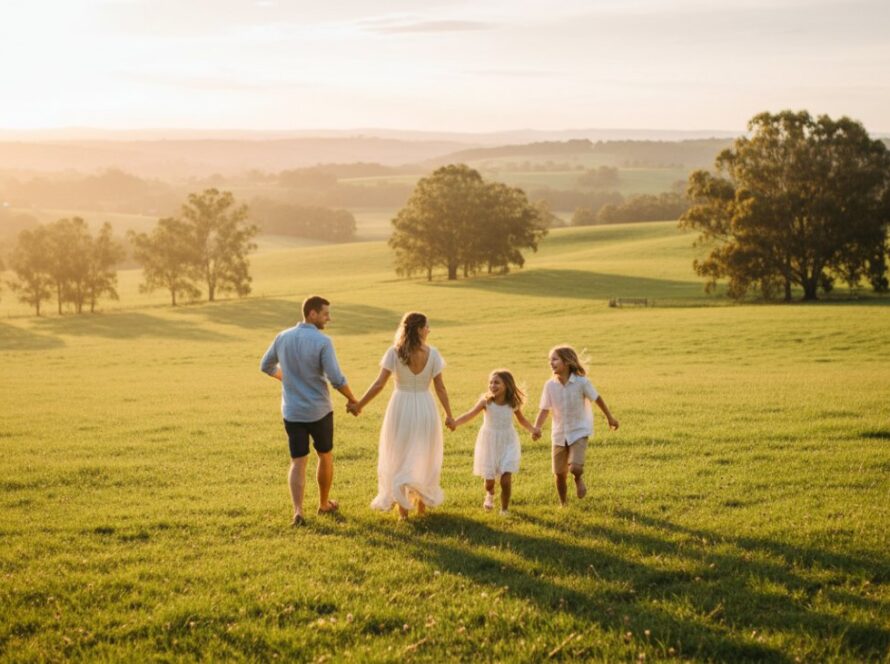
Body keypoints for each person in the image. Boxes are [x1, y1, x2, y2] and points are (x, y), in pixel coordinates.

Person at [260, 295, 359, 526]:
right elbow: (336, 378)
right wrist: (353, 400)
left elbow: (265, 365)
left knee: (297, 461)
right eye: (325, 314)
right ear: (312, 314)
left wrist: (286, 378)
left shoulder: (282, 337)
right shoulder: (322, 341)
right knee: (324, 455)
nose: (328, 318)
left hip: (292, 412)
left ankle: (298, 512)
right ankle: (324, 504)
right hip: (319, 411)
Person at [349, 312, 454, 520]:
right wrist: (448, 415)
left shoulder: (394, 353)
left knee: (399, 452)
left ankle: (403, 512)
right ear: (418, 329)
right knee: (423, 452)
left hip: (401, 407)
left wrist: (359, 405)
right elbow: (440, 387)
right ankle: (421, 507)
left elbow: (379, 384)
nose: (429, 330)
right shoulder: (433, 354)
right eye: (427, 326)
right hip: (425, 406)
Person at [532, 345, 619, 506]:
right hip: (559, 434)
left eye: (555, 359)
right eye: (549, 360)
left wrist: (610, 418)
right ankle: (563, 503)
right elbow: (544, 409)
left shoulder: (581, 382)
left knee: (575, 467)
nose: (551, 363)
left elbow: (597, 399)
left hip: (579, 430)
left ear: (567, 361)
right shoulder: (549, 386)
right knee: (559, 474)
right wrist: (537, 428)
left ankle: (578, 478)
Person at [451, 369, 535, 516]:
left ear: (507, 385)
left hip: (508, 442)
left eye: (497, 382)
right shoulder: (486, 402)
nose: (492, 385)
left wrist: (533, 430)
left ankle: (504, 509)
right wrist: (455, 423)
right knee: (489, 482)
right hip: (489, 442)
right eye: (490, 382)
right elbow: (470, 414)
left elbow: (521, 420)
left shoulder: (512, 403)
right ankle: (489, 494)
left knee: (505, 479)